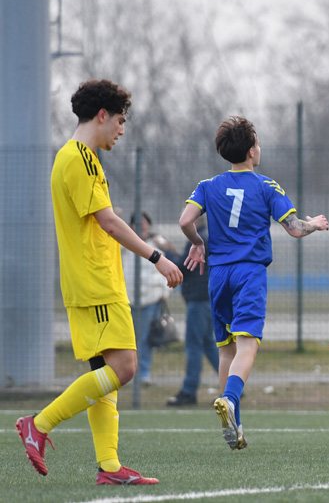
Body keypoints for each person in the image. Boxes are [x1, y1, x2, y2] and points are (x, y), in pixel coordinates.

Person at [15, 79, 182, 485]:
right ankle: (38, 424)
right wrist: (157, 257)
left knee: (105, 374)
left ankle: (109, 467)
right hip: (96, 282)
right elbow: (108, 222)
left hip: (85, 282)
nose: (122, 130)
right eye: (120, 121)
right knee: (124, 368)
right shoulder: (81, 159)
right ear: (102, 115)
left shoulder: (70, 157)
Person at [179, 116, 328, 450]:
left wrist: (198, 243)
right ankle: (230, 400)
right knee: (248, 344)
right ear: (251, 150)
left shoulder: (208, 186)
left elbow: (185, 220)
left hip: (218, 275)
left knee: (226, 349)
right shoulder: (266, 186)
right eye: (257, 143)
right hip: (249, 273)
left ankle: (236, 426)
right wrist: (315, 224)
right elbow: (294, 228)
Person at [166, 215, 219, 406]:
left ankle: (189, 390)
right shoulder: (209, 237)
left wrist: (167, 252)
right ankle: (232, 384)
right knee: (208, 343)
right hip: (208, 298)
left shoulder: (199, 240)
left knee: (194, 345)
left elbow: (182, 267)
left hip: (199, 299)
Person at [122, 211, 175, 385]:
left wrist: (165, 293)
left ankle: (143, 373)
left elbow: (165, 270)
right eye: (136, 223)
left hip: (151, 299)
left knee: (144, 339)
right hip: (128, 299)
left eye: (144, 222)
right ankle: (127, 372)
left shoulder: (155, 247)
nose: (141, 226)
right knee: (128, 340)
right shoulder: (124, 247)